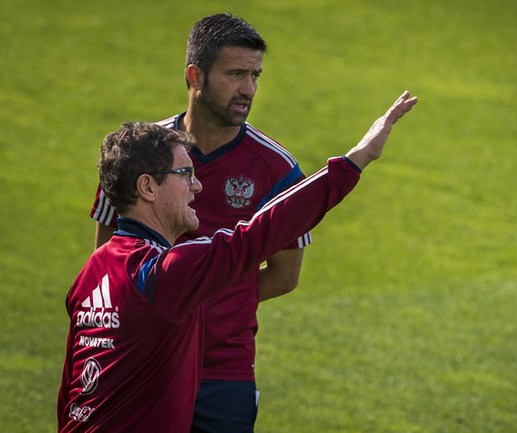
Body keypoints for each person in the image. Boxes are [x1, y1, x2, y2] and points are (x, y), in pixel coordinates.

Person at [58, 91, 418, 433]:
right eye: (185, 175)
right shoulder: (163, 274)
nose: (197, 186)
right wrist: (357, 159)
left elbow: (70, 391)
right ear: (148, 188)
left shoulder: (90, 275)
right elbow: (258, 234)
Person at [89, 14, 311, 432]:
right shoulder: (135, 154)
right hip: (141, 363)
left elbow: (285, 276)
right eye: (235, 74)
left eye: (255, 75)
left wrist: (208, 298)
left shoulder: (277, 168)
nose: (248, 89)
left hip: (221, 373)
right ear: (195, 76)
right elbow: (106, 261)